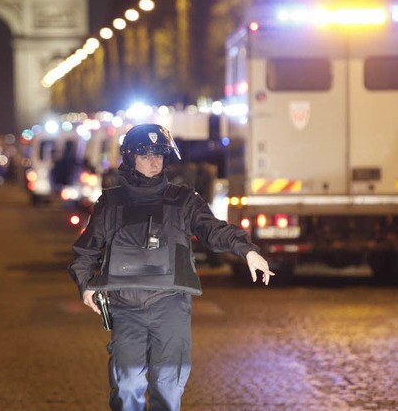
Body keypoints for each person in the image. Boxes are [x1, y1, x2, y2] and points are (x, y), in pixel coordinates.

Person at [68, 123, 274, 411]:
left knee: (167, 388)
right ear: (130, 158)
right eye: (146, 155)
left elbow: (212, 229)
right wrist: (86, 284)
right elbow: (85, 250)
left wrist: (247, 250)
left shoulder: (184, 200)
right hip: (126, 307)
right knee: (126, 388)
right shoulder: (111, 203)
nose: (154, 162)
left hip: (170, 305)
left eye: (160, 155)